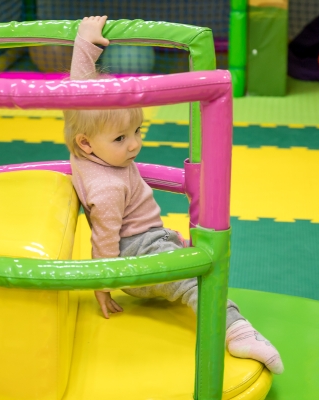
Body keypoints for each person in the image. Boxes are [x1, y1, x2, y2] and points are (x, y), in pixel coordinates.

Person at [64, 16, 283, 374]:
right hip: (139, 253)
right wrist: (102, 284)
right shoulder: (107, 186)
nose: (135, 144)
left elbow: (79, 88)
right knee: (197, 281)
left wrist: (85, 40)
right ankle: (237, 331)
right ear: (86, 143)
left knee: (192, 265)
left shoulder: (84, 138)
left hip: (152, 242)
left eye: (138, 130)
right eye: (121, 139)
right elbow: (105, 238)